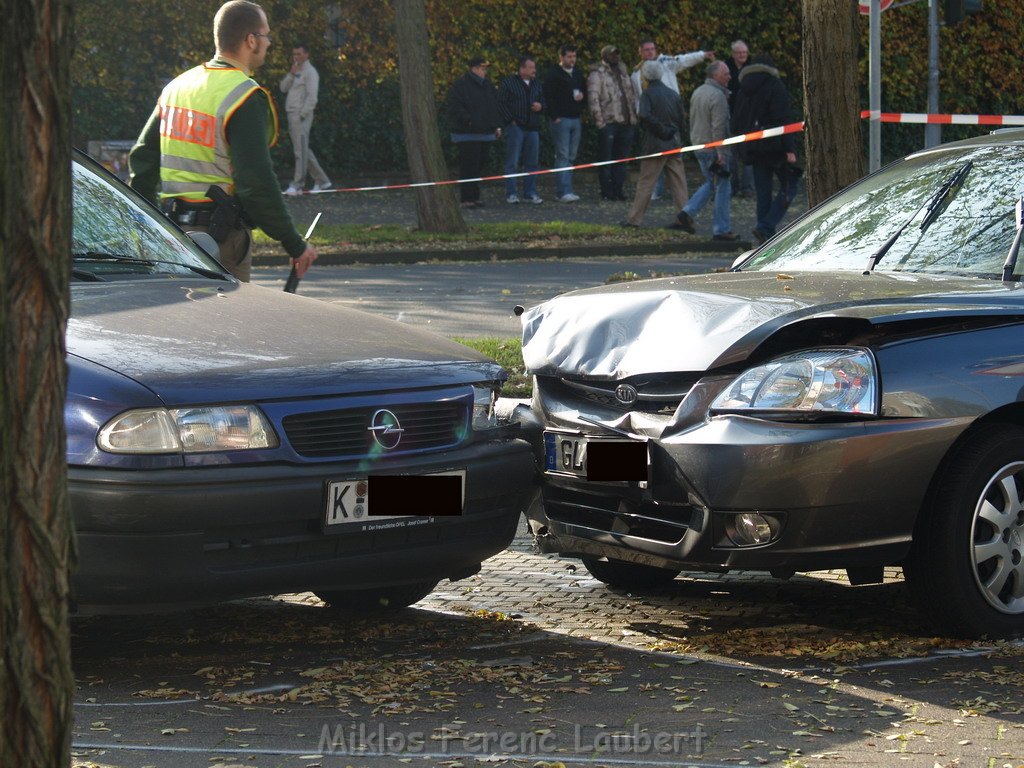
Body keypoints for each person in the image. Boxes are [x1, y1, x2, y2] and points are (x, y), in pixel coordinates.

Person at [129, 0, 316, 283]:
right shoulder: (243, 96)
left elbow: (143, 161)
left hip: (171, 236)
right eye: (266, 36)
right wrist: (294, 244)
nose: (269, 43)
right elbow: (256, 183)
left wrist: (142, 226)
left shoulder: (176, 87)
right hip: (221, 241)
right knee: (226, 325)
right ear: (251, 40)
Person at [631, 38, 714, 200]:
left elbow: (683, 60)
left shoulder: (665, 63)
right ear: (640, 51)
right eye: (646, 49)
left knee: (674, 152)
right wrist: (640, 114)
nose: (650, 52)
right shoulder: (635, 74)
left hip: (669, 114)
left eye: (652, 49)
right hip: (651, 117)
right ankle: (657, 189)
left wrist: (702, 55)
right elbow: (636, 97)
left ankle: (677, 191)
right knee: (654, 153)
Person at [731, 53, 801, 245]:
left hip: (754, 146)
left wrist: (742, 147)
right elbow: (783, 118)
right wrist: (789, 148)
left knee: (763, 191)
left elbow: (737, 120)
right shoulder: (774, 85)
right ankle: (766, 226)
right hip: (775, 146)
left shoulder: (743, 88)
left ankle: (764, 234)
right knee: (791, 184)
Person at [621, 60, 688, 228]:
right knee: (679, 183)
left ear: (645, 76)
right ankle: (686, 218)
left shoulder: (647, 94)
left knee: (646, 183)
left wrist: (660, 130)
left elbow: (643, 115)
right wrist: (678, 137)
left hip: (654, 145)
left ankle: (634, 219)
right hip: (674, 143)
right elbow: (682, 121)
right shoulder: (673, 94)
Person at [675, 61, 736, 240]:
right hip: (713, 148)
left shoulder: (698, 91)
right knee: (723, 186)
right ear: (715, 75)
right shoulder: (717, 96)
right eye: (726, 73)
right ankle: (721, 229)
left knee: (710, 182)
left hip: (699, 144)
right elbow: (718, 126)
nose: (729, 76)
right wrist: (721, 152)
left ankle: (687, 212)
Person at [447, 56, 503, 209]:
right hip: (467, 134)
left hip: (485, 133)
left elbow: (494, 106)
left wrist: (496, 126)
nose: (484, 72)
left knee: (478, 167)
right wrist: (470, 121)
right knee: (468, 167)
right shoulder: (461, 85)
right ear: (474, 69)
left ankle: (475, 196)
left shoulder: (487, 85)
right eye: (482, 68)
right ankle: (466, 198)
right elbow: (455, 107)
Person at [587, 44, 637, 201]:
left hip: (626, 122)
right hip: (608, 122)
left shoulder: (623, 72)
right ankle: (606, 191)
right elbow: (593, 99)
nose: (616, 57)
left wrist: (633, 117)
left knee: (622, 159)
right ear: (605, 56)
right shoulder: (597, 74)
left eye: (617, 54)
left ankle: (618, 189)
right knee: (606, 159)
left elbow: (631, 95)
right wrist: (600, 122)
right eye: (612, 54)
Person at [280, 43, 332, 196]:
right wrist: (291, 74)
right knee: (303, 149)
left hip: (300, 115)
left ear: (307, 55)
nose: (296, 57)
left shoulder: (311, 72)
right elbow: (283, 88)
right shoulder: (296, 71)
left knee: (300, 151)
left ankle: (297, 185)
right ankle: (322, 181)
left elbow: (312, 97)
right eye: (294, 54)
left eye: (299, 54)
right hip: (292, 113)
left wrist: (302, 115)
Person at [498, 56, 545, 204]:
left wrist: (541, 106)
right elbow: (501, 103)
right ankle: (511, 193)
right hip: (516, 126)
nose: (534, 70)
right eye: (531, 67)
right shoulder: (508, 83)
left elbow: (544, 100)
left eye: (534, 67)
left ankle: (530, 192)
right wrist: (510, 120)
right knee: (512, 161)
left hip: (533, 127)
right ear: (522, 68)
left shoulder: (537, 84)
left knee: (532, 162)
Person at [543, 44, 586, 202]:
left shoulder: (577, 73)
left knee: (571, 155)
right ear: (561, 57)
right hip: (561, 119)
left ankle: (568, 188)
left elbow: (585, 92)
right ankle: (563, 191)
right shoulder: (553, 74)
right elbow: (548, 96)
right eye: (569, 56)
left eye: (574, 56)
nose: (572, 60)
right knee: (562, 155)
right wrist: (554, 116)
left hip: (575, 118)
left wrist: (582, 100)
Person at [725, 39, 754, 197]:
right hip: (730, 115)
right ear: (733, 54)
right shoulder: (726, 66)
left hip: (748, 117)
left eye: (744, 52)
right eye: (739, 53)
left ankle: (747, 188)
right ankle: (733, 186)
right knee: (732, 154)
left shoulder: (752, 67)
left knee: (748, 153)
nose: (743, 55)